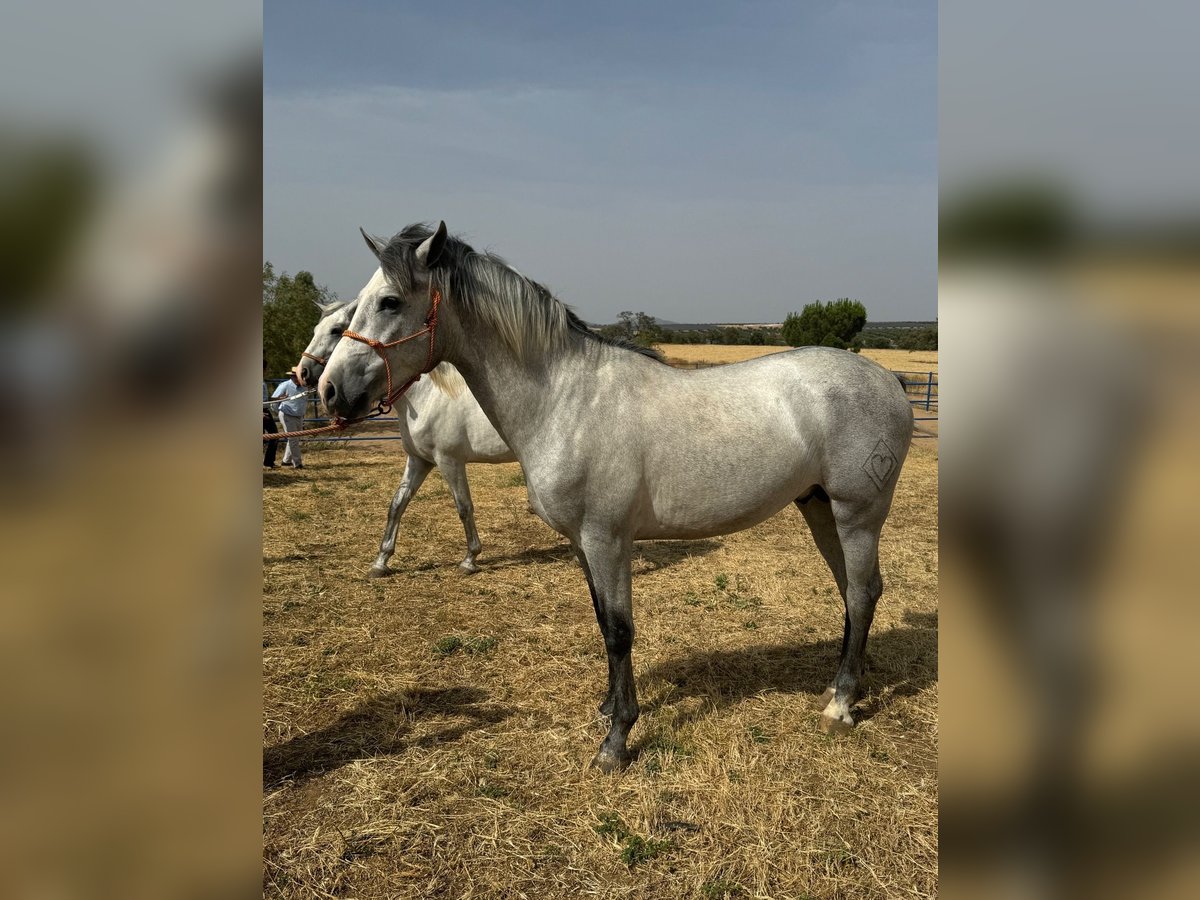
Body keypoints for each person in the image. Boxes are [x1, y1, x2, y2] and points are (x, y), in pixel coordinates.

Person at [271, 370, 308, 469]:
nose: (300, 378)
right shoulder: (284, 385)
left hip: (299, 415)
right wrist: (278, 411)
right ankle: (297, 463)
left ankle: (286, 461)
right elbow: (274, 399)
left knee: (295, 438)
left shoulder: (305, 386)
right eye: (298, 376)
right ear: (293, 376)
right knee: (293, 439)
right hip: (287, 414)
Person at [263, 360, 279, 469]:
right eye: (267, 368)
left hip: (265, 410)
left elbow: (264, 398)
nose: (268, 370)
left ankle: (269, 462)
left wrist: (277, 398)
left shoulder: (262, 381)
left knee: (275, 435)